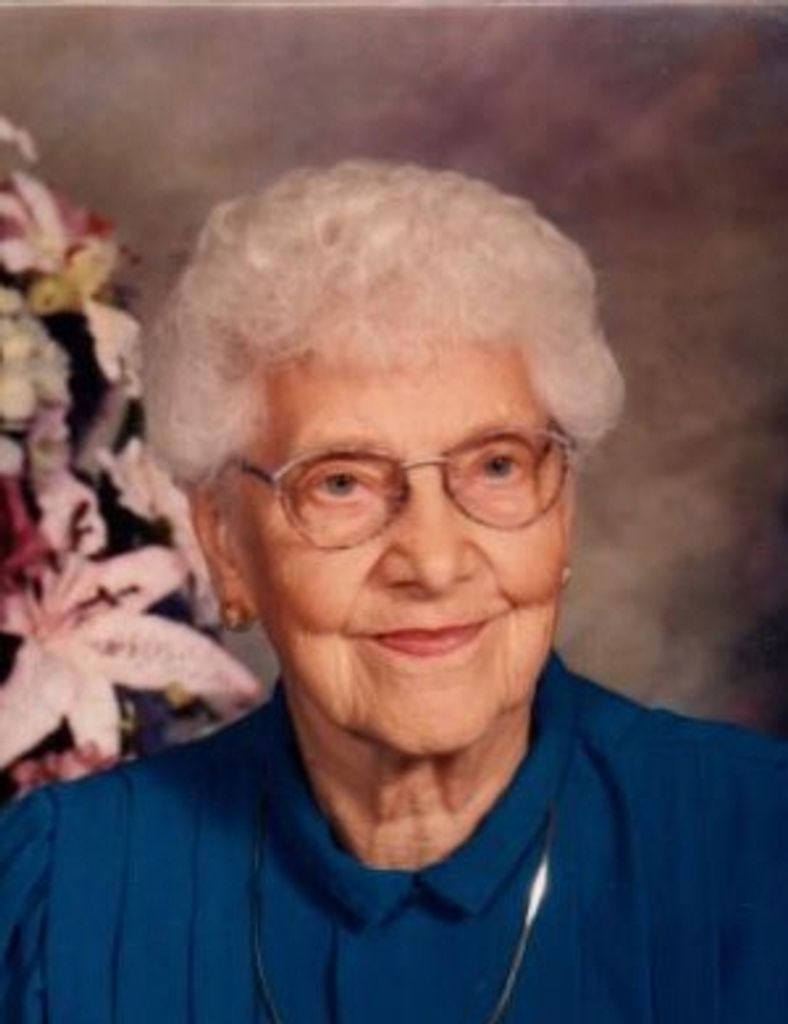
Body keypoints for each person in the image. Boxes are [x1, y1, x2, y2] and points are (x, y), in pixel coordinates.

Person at [1, 160, 786, 1024]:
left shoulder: (760, 843)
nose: (434, 562)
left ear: (561, 505)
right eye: (340, 482)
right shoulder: (59, 893)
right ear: (224, 543)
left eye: (496, 466)